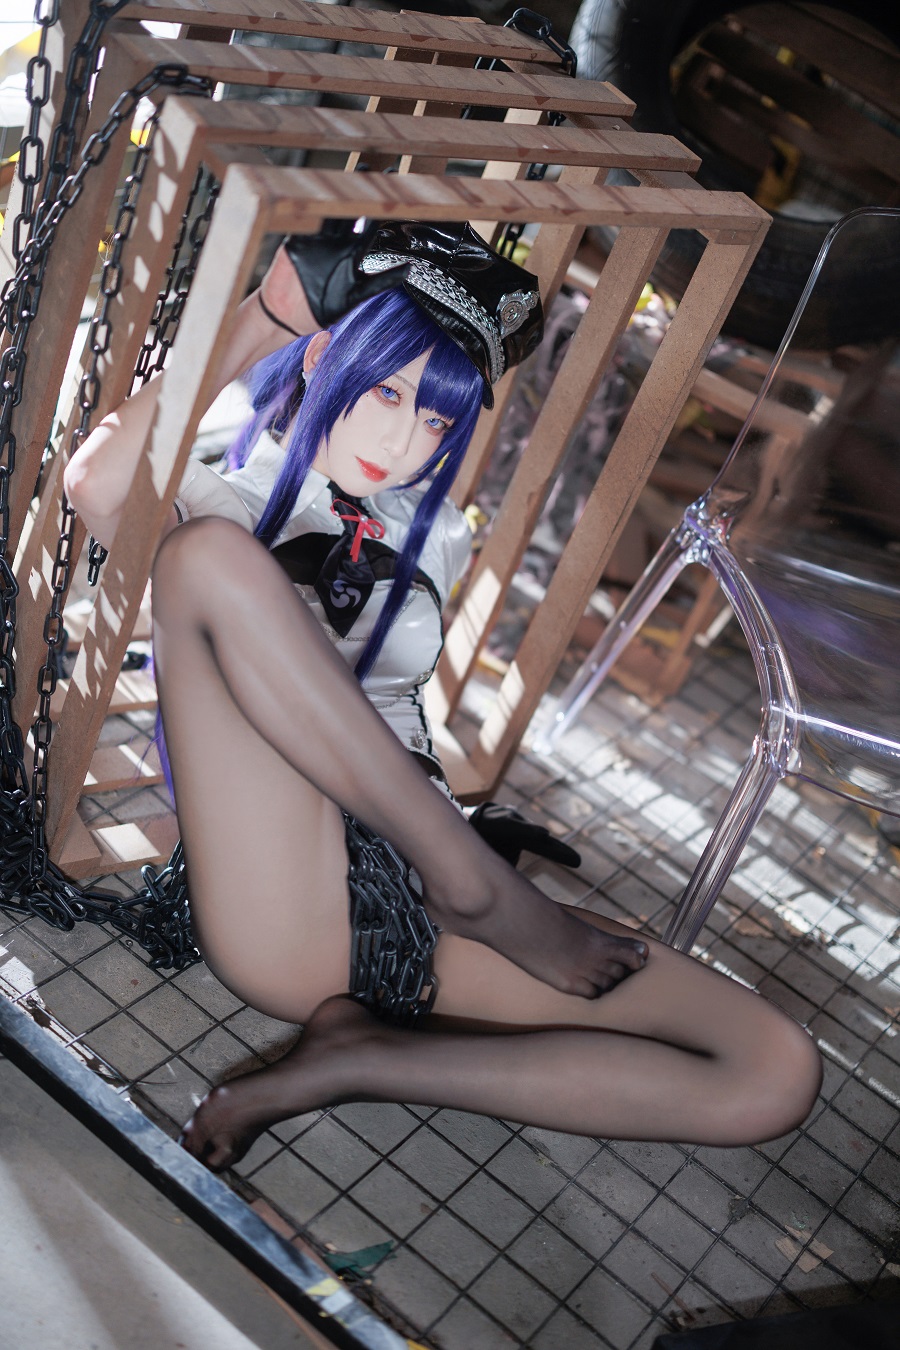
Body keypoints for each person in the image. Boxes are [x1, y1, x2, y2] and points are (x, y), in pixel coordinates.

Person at [65, 220, 822, 1172]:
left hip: (408, 893)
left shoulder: (434, 536)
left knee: (774, 1070)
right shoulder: (226, 498)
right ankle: (470, 881)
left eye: (434, 419)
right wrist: (266, 318)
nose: (403, 441)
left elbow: (396, 703)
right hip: (289, 900)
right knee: (206, 558)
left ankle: (365, 1057)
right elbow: (95, 484)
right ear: (326, 358)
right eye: (387, 391)